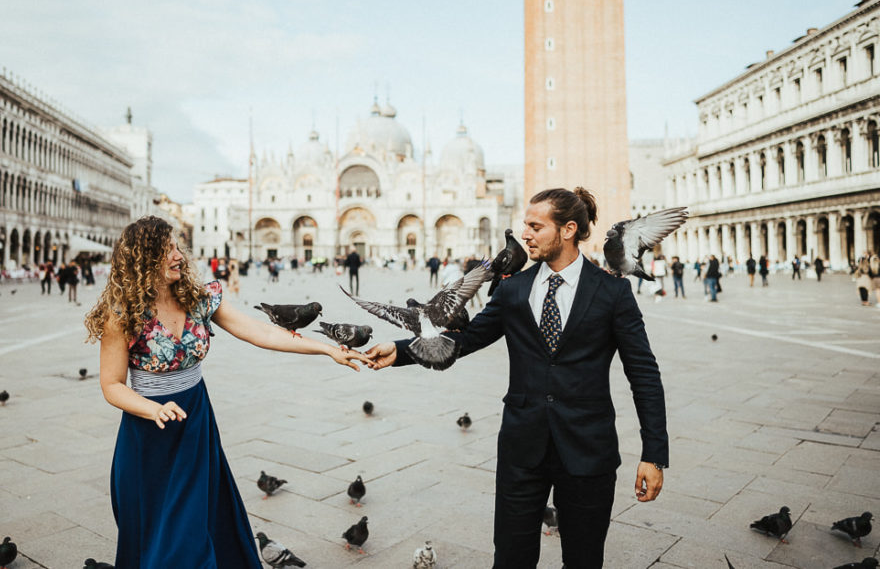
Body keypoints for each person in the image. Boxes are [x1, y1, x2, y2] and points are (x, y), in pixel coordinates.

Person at [366, 187, 667, 568]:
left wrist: (654, 454)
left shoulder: (613, 292)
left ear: (568, 229)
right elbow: (468, 338)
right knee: (510, 558)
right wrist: (400, 351)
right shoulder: (513, 288)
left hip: (588, 450)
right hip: (522, 448)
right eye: (525, 225)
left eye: (535, 226)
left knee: (585, 559)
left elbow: (643, 373)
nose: (524, 234)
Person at [84, 216, 369, 567]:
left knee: (200, 530)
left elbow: (259, 332)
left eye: (177, 246)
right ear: (144, 258)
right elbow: (111, 385)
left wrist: (326, 349)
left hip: (195, 424)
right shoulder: (123, 314)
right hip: (149, 436)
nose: (178, 256)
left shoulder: (197, 298)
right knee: (163, 539)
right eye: (167, 249)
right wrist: (151, 409)